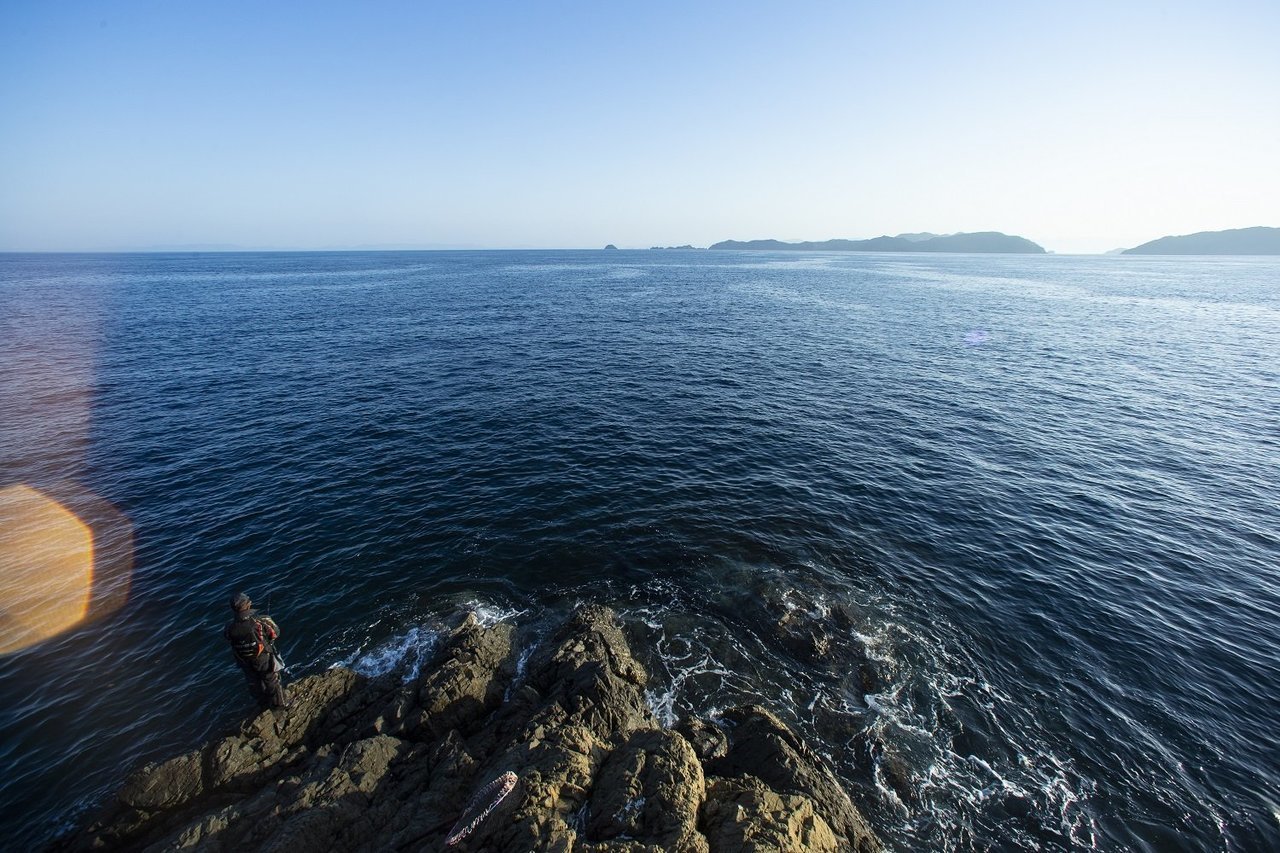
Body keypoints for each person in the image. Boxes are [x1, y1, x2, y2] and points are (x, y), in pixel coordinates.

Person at [223, 592, 288, 709]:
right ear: (248, 605)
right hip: (263, 659)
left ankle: (263, 705)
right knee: (272, 680)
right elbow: (275, 633)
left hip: (244, 661)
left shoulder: (228, 627)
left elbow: (228, 637)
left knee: (255, 683)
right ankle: (280, 705)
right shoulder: (261, 620)